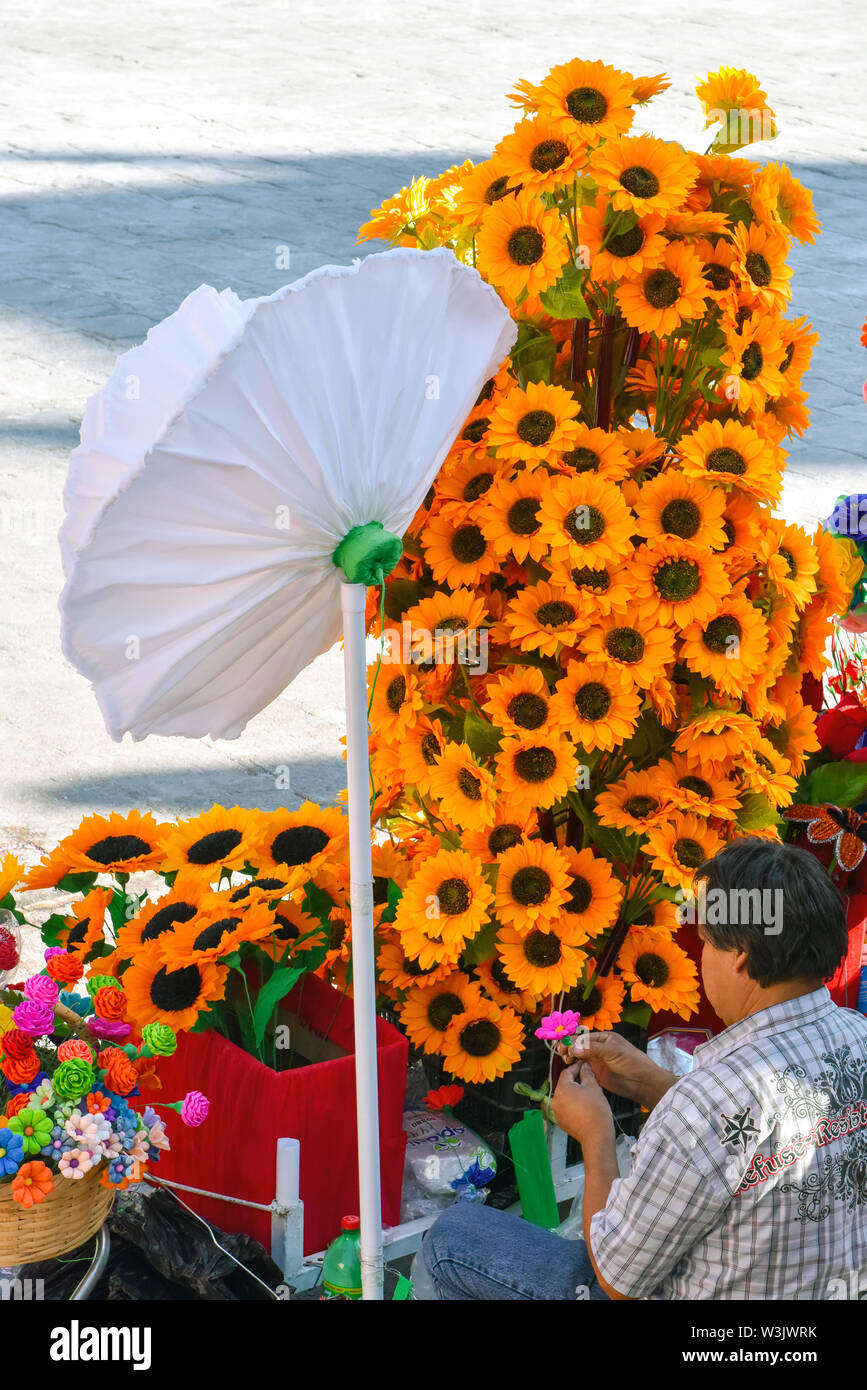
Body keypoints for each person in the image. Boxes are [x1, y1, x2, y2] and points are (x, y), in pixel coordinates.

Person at [421, 837, 867, 1299]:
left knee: (454, 1237)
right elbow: (755, 1134)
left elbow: (616, 1280)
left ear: (741, 957)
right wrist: (660, 1088)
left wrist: (596, 1136)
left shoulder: (701, 1108)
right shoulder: (859, 1037)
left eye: (708, 942)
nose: (701, 956)